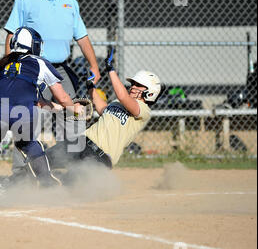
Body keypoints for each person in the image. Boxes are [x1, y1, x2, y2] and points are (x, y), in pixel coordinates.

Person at [10, 48, 166, 186]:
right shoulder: (119, 102)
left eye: (138, 85)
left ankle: (49, 189)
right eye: (133, 83)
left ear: (150, 92)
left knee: (71, 183)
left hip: (100, 159)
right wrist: (91, 86)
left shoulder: (143, 111)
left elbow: (124, 96)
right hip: (82, 142)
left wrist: (111, 70)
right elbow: (103, 108)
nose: (133, 86)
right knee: (43, 160)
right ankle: (15, 185)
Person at [0, 27, 82, 190]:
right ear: (33, 46)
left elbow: (28, 98)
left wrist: (57, 108)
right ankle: (46, 182)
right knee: (28, 142)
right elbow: (63, 97)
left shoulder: (4, 63)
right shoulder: (40, 63)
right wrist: (74, 108)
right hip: (20, 112)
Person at [4, 0, 101, 179]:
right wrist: (9, 65)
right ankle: (20, 174)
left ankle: (75, 169)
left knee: (74, 116)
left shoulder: (70, 3)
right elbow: (11, 35)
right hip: (32, 67)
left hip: (59, 69)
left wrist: (93, 65)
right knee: (27, 117)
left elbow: (82, 37)